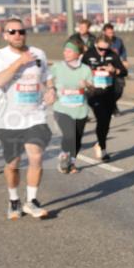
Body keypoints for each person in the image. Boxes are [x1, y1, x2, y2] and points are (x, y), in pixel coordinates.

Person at [0, 17, 52, 219]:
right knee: (13, 164)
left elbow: (46, 77)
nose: (17, 35)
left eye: (21, 31)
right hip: (9, 119)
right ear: (5, 35)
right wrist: (19, 63)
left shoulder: (39, 53)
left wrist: (51, 90)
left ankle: (31, 201)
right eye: (12, 31)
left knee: (36, 156)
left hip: (35, 115)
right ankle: (13, 200)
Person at [48, 41, 92, 174]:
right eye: (64, 50)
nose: (65, 53)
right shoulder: (57, 67)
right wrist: (50, 88)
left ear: (78, 54)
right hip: (62, 108)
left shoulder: (85, 69)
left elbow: (93, 86)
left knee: (77, 139)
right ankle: (63, 156)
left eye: (69, 51)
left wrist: (87, 84)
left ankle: (72, 163)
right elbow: (48, 78)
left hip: (80, 109)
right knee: (69, 135)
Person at [81, 33, 127, 162]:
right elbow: (78, 70)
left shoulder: (112, 55)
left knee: (105, 123)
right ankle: (103, 149)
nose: (103, 52)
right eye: (100, 49)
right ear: (95, 45)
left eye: (105, 49)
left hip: (109, 93)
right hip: (94, 93)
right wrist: (87, 73)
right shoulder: (89, 55)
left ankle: (99, 143)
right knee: (101, 117)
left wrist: (114, 70)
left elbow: (124, 71)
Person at [102, 23, 127, 114]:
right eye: (109, 33)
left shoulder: (118, 41)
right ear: (104, 33)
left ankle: (111, 104)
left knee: (119, 89)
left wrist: (124, 60)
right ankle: (112, 108)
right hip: (105, 69)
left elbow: (123, 52)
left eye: (112, 32)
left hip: (117, 68)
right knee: (107, 90)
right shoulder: (100, 42)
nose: (111, 34)